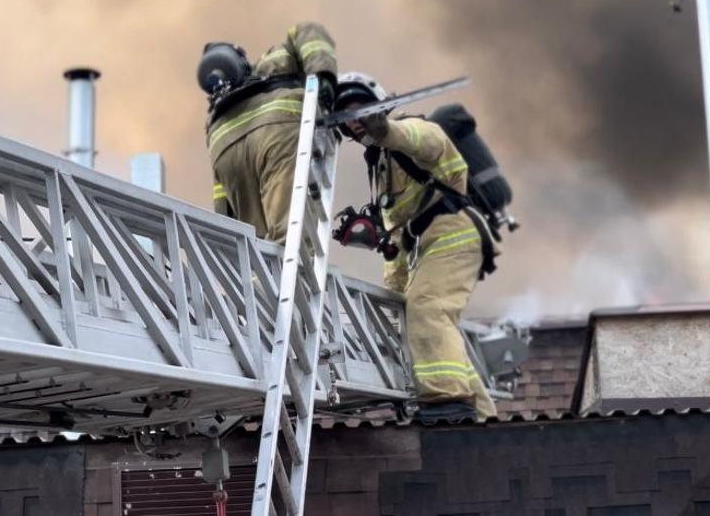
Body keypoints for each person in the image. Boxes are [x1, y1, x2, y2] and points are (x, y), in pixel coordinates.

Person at [334, 71, 498, 422]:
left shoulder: (412, 130)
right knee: (426, 320)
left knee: (428, 308)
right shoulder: (380, 166)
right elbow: (396, 237)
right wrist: (394, 294)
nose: (354, 120)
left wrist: (386, 131)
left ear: (379, 107)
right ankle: (483, 417)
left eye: (360, 108)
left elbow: (427, 141)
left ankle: (448, 403)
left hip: (454, 232)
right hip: (426, 243)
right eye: (346, 115)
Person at [200, 22, 337, 243]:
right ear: (241, 61)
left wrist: (227, 233)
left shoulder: (216, 111)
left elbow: (221, 191)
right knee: (288, 231)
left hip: (225, 151)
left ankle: (257, 262)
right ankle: (292, 257)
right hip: (276, 129)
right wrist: (323, 77)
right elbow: (308, 31)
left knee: (254, 240)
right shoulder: (273, 59)